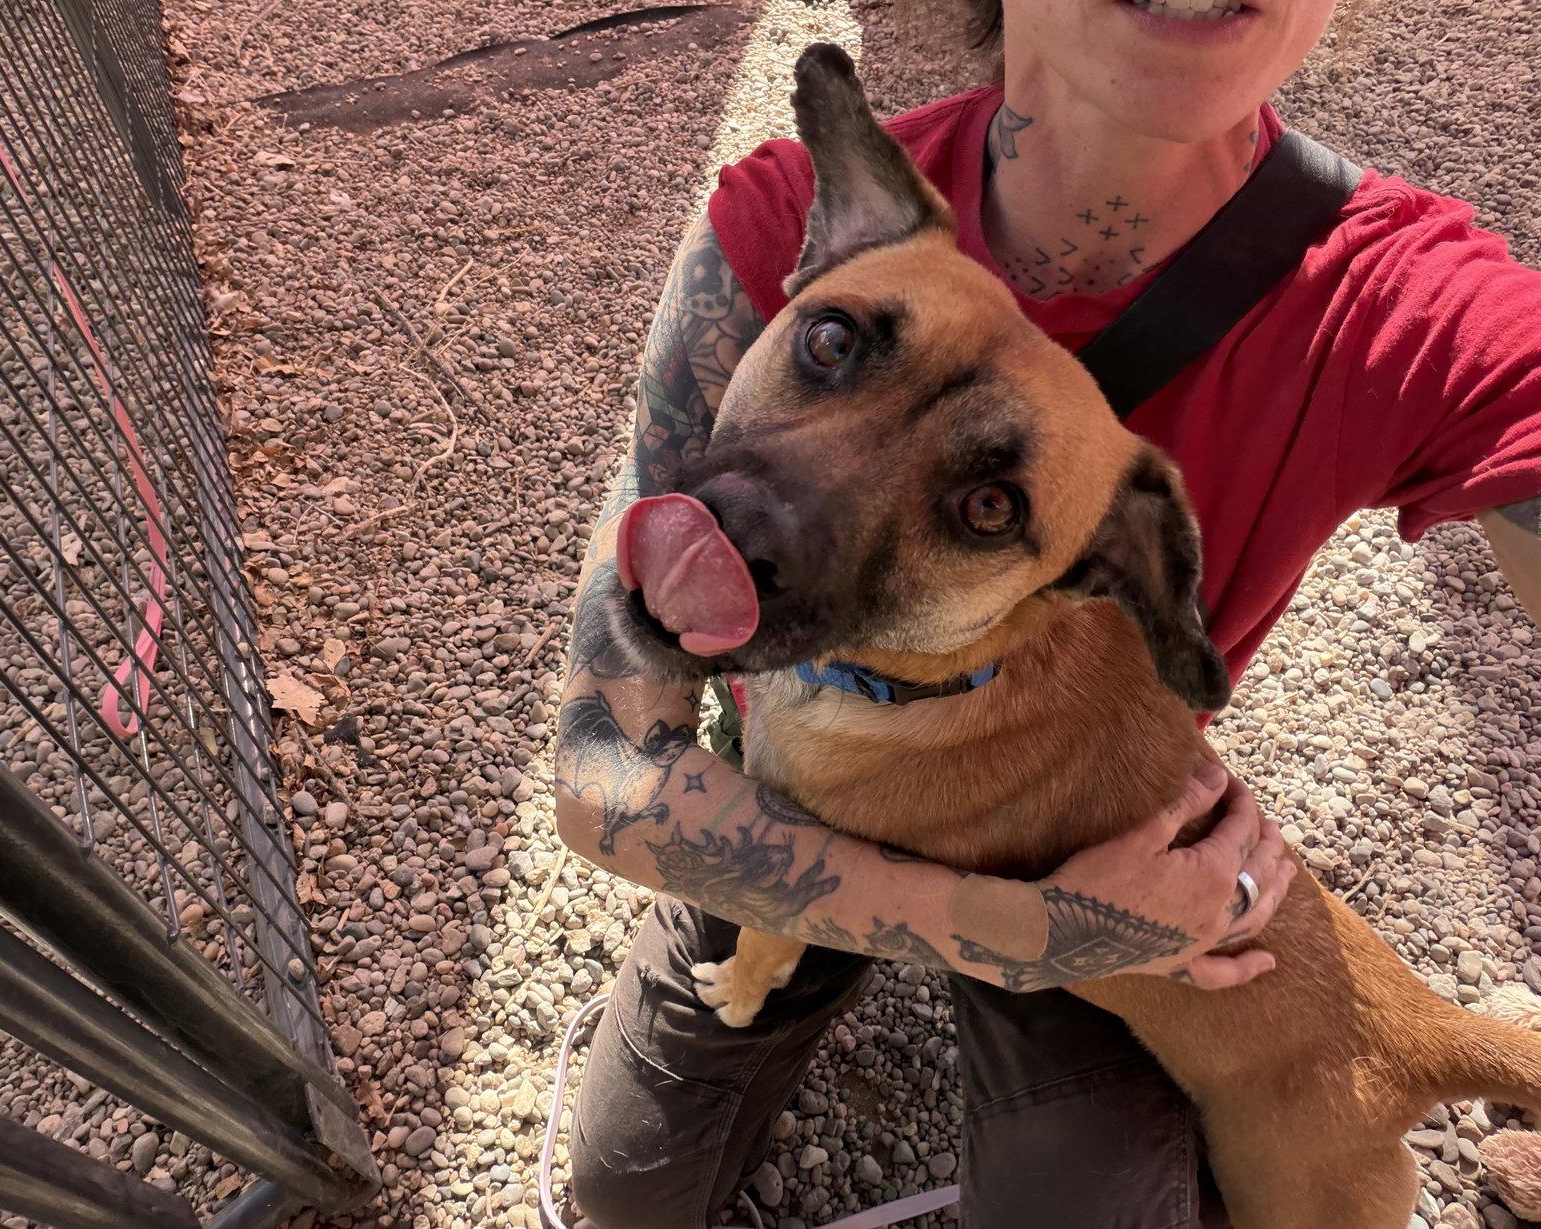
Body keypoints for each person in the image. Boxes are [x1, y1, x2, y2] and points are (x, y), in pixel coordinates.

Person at [553, 1, 1541, 1224]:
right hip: (888, 845)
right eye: (832, 347)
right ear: (824, 253)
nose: (771, 511)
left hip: (1108, 872)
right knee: (625, 1190)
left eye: (982, 508)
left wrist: (1081, 923)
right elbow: (598, 766)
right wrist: (1017, 929)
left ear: (1115, 564)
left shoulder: (1406, 308)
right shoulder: (790, 213)